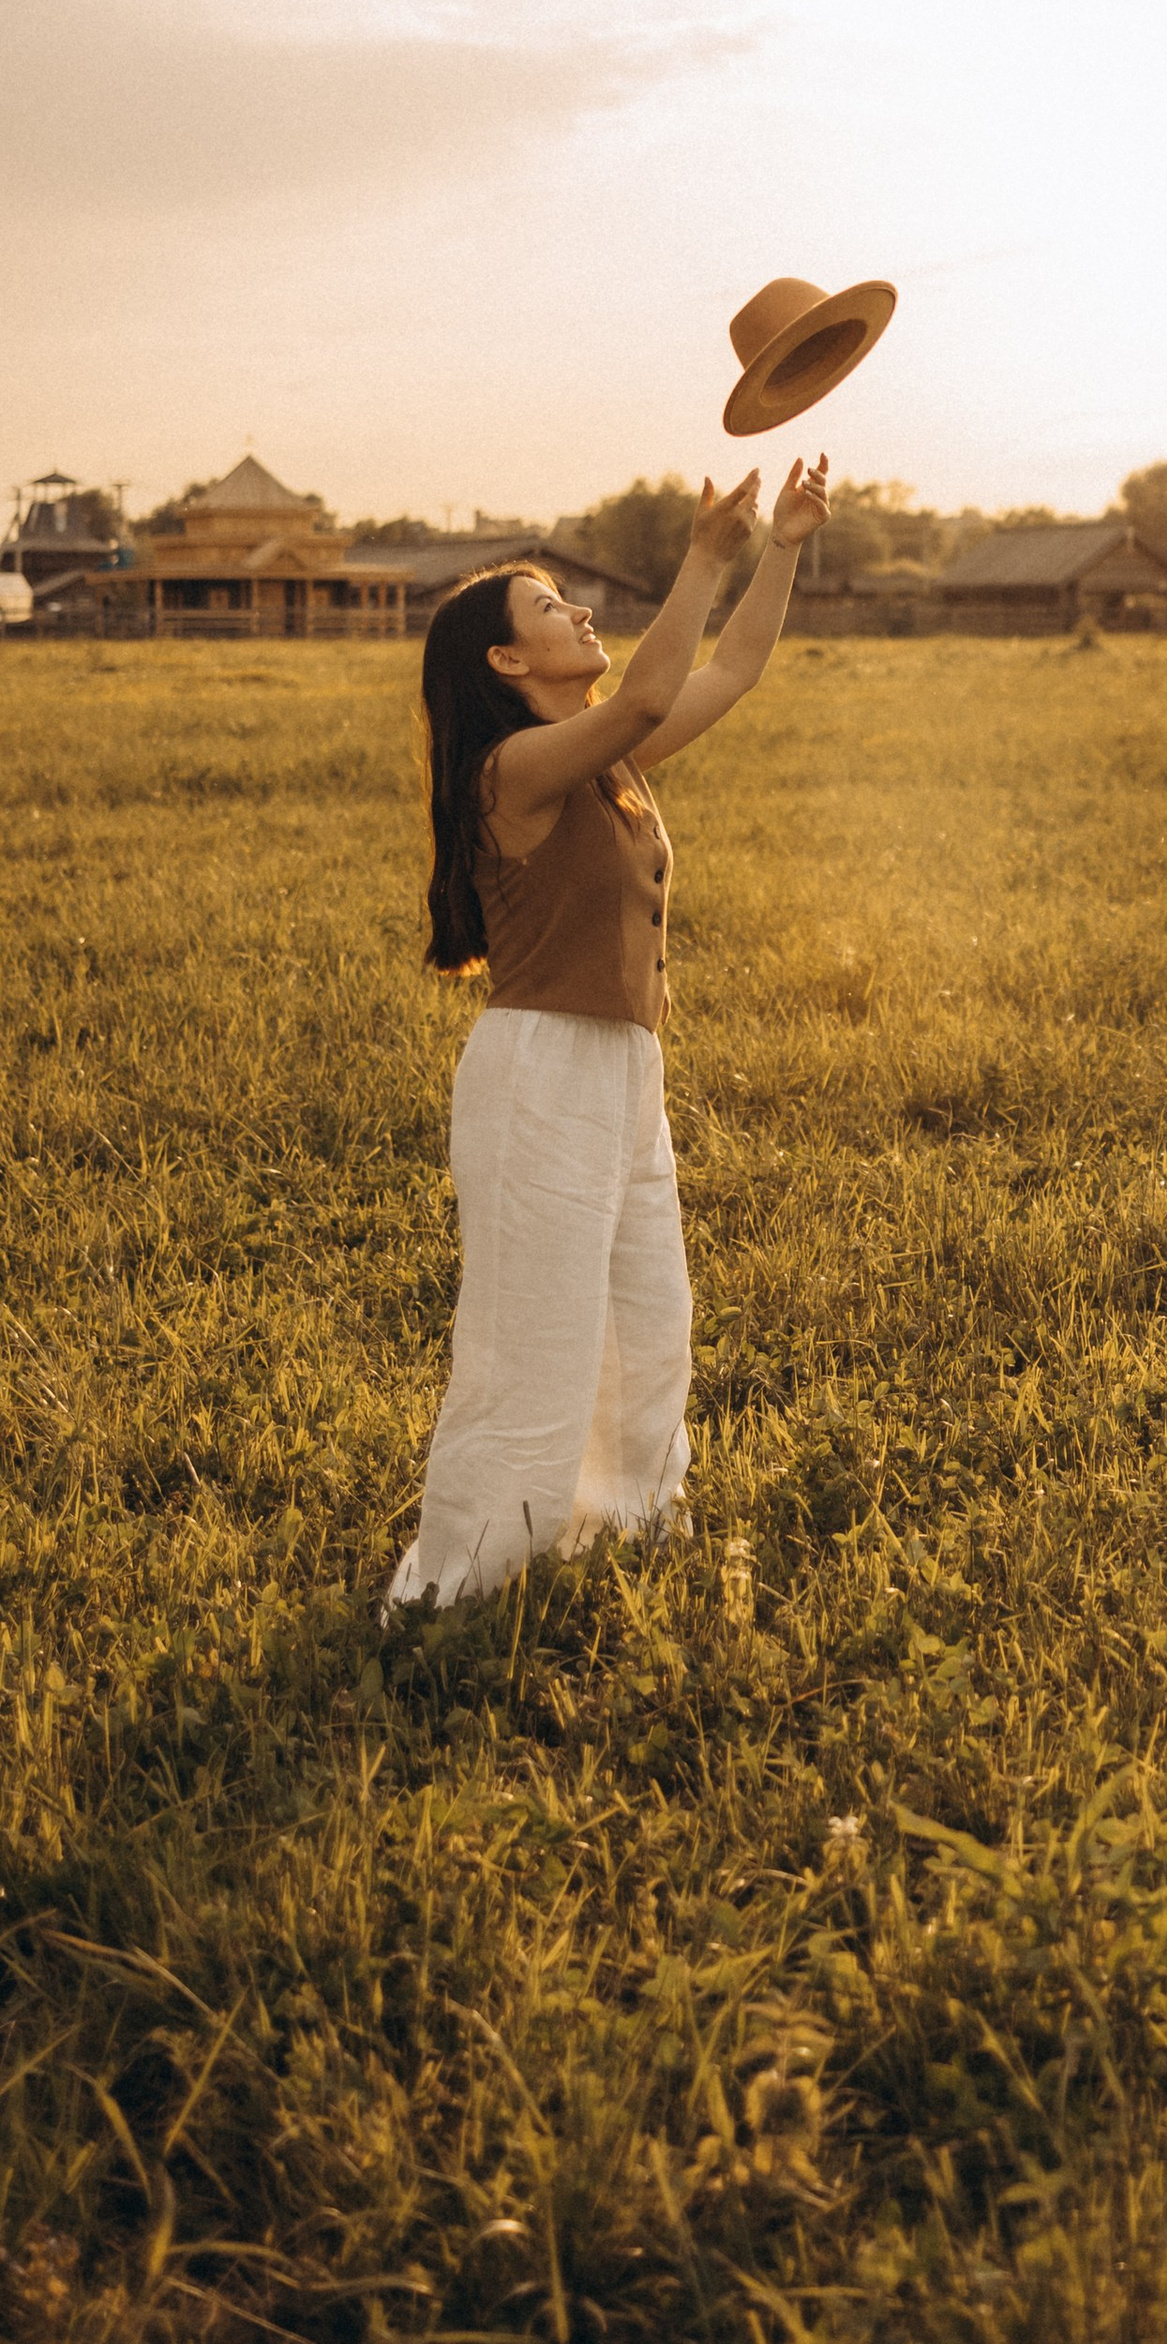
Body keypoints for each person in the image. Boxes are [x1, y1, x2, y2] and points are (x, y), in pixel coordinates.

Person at [388, 452, 831, 1609]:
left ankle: (622, 1532)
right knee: (531, 1348)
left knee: (645, 1320)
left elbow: (728, 669)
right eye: (552, 608)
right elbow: (641, 691)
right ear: (505, 661)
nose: (579, 609)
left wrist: (778, 547)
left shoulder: (610, 762)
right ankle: (462, 1588)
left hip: (623, 1070)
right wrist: (700, 554)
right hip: (541, 1075)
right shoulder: (513, 771)